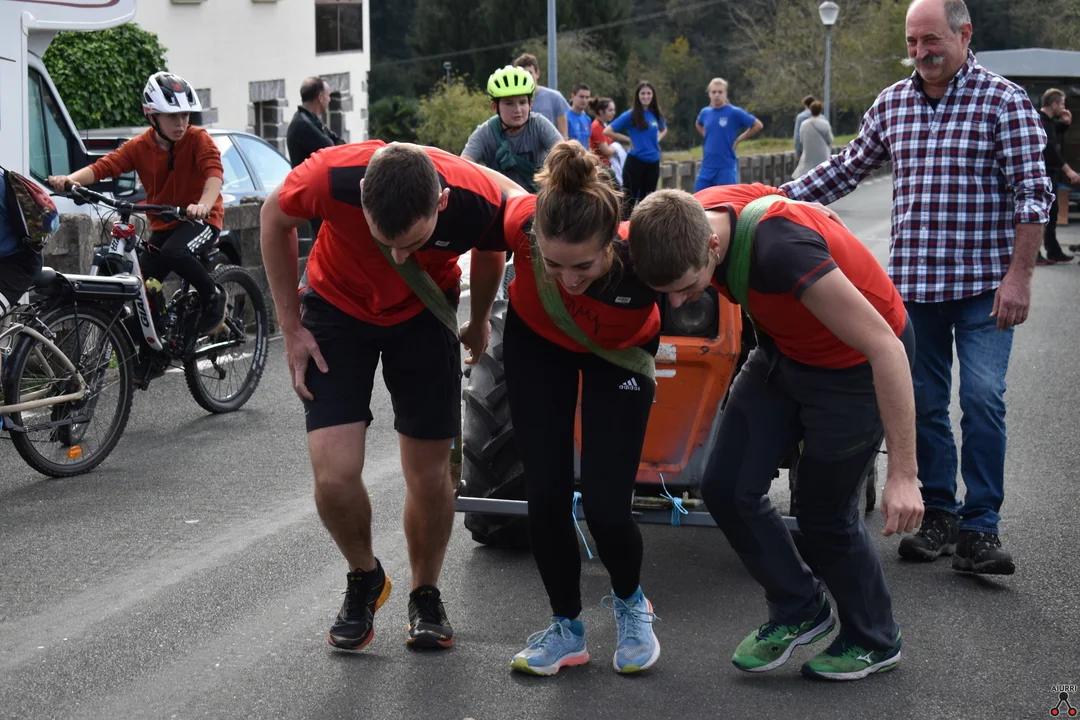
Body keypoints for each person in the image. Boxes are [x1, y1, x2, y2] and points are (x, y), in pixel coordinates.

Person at [780, 0, 1054, 575]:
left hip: (984, 288)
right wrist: (774, 201)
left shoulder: (1004, 101)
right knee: (922, 405)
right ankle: (941, 515)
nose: (921, 52)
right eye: (912, 42)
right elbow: (847, 168)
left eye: (931, 40)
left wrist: (1020, 277)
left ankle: (981, 527)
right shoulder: (893, 103)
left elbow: (1033, 193)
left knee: (982, 400)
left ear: (964, 34)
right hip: (913, 289)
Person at [628, 184, 923, 681]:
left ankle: (874, 639)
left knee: (824, 516)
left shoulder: (782, 251)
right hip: (785, 350)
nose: (676, 301)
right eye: (665, 292)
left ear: (713, 246)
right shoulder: (689, 214)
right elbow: (777, 193)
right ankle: (799, 607)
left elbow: (887, 349)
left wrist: (904, 474)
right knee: (725, 487)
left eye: (686, 285)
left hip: (854, 369)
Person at [260, 140, 511, 652]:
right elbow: (272, 217)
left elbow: (493, 248)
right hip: (336, 308)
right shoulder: (330, 177)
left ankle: (425, 593)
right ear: (362, 196)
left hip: (423, 312)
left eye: (413, 243)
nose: (399, 256)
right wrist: (290, 326)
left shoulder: (474, 197)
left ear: (441, 202)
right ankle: (365, 576)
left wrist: (481, 318)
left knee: (430, 474)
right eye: (385, 241)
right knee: (334, 476)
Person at [494, 141, 662, 676]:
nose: (569, 279)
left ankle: (633, 604)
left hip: (621, 354)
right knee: (544, 496)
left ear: (613, 240)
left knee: (607, 506)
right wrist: (475, 324)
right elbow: (462, 201)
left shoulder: (645, 253)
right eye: (553, 264)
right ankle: (566, 629)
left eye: (584, 265)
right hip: (538, 342)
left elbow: (719, 239)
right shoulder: (521, 220)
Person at [47, 72, 227, 340]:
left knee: (175, 252)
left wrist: (203, 205)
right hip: (164, 224)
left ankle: (213, 296)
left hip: (201, 220)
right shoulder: (140, 146)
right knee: (141, 282)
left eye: (185, 115)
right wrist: (70, 180)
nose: (180, 123)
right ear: (152, 116)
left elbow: (214, 174)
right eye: (172, 116)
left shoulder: (197, 138)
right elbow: (106, 166)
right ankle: (153, 348)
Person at [462, 66, 562, 193]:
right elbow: (462, 165)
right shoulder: (485, 132)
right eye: (509, 103)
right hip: (501, 201)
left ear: (530, 104)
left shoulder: (539, 124)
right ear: (495, 107)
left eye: (522, 102)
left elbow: (565, 154)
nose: (518, 110)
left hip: (539, 199)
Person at [286, 76, 345, 240]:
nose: (330, 99)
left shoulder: (311, 121)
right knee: (324, 239)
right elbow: (331, 150)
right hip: (311, 194)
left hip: (317, 192)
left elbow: (338, 141)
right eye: (328, 95)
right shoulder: (303, 124)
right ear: (320, 97)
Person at [605, 81, 667, 213]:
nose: (646, 96)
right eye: (643, 93)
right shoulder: (630, 115)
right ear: (638, 96)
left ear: (653, 95)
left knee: (648, 203)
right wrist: (628, 139)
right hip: (635, 162)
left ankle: (644, 226)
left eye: (649, 93)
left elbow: (664, 129)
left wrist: (656, 139)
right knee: (628, 202)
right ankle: (624, 225)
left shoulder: (655, 113)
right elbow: (608, 131)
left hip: (653, 163)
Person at [694, 78, 764, 191]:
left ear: (725, 93)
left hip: (726, 166)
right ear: (709, 94)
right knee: (699, 198)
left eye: (720, 92)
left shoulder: (734, 112)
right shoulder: (705, 112)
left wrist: (739, 139)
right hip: (707, 166)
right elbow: (698, 123)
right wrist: (707, 135)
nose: (717, 95)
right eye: (713, 92)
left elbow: (757, 125)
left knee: (726, 199)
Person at [1036, 88, 1080, 264]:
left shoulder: (1049, 121)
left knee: (1052, 213)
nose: (1063, 107)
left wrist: (1066, 123)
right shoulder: (1040, 121)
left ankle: (1053, 250)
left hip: (1051, 174)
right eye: (1062, 104)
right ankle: (1035, 254)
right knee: (1042, 214)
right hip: (1043, 174)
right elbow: (1050, 149)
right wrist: (1068, 170)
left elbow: (1055, 133)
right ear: (1054, 104)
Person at [513, 53, 570, 139]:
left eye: (530, 73)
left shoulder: (555, 97)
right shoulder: (511, 101)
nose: (526, 77)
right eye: (522, 74)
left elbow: (563, 135)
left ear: (537, 73)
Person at [792, 101, 834, 178]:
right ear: (820, 110)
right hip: (822, 155)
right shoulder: (825, 123)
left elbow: (800, 140)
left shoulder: (804, 124)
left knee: (806, 176)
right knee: (822, 176)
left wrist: (798, 153)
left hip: (807, 155)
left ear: (810, 110)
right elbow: (830, 139)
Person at [793, 95, 816, 160]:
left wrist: (798, 152)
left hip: (805, 151)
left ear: (805, 105)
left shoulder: (801, 117)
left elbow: (797, 136)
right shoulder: (822, 117)